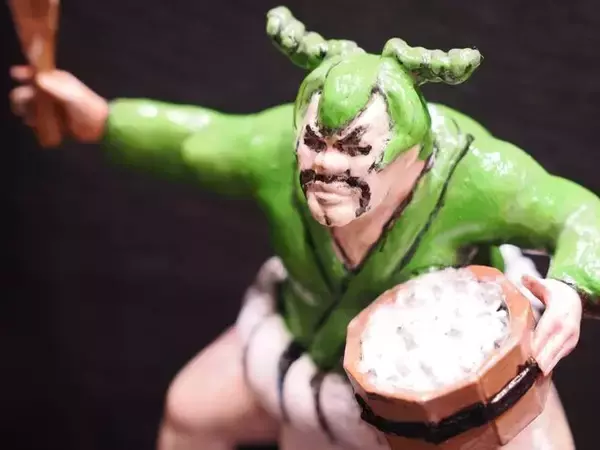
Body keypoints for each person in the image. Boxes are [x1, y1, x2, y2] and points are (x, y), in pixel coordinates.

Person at [9, 6, 599, 450]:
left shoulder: (472, 172)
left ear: (412, 156)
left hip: (459, 393)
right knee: (191, 410)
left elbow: (580, 214)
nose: (328, 166)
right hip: (307, 364)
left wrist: (571, 288)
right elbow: (193, 141)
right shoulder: (277, 151)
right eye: (316, 142)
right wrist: (102, 120)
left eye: (357, 149)